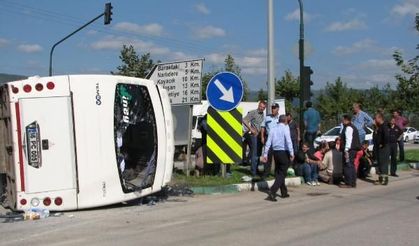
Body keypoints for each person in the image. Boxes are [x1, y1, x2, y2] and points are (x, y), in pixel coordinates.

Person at [262, 115, 294, 202]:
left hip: (275, 153)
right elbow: (288, 141)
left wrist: (265, 154)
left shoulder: (273, 129)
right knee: (282, 173)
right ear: (285, 121)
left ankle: (284, 192)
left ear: (279, 120)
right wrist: (291, 153)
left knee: (279, 172)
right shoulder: (285, 128)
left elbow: (268, 142)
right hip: (284, 152)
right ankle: (272, 192)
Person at [243, 100, 266, 177]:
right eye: (260, 106)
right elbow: (244, 120)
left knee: (259, 154)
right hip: (254, 136)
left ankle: (256, 169)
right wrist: (251, 129)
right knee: (254, 154)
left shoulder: (263, 114)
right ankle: (253, 172)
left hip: (260, 136)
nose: (261, 108)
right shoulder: (253, 112)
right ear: (258, 105)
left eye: (263, 107)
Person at [340, 114, 361, 188]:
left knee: (347, 165)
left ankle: (348, 183)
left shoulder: (348, 127)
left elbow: (349, 139)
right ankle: (352, 182)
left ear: (346, 120)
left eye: (342, 119)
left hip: (349, 150)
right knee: (351, 165)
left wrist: (346, 150)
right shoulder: (352, 127)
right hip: (352, 150)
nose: (342, 121)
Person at [260, 103, 280, 179]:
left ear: (278, 109)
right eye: (272, 108)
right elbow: (263, 127)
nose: (273, 109)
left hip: (277, 139)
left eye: (274, 108)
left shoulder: (280, 118)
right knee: (267, 156)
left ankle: (277, 173)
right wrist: (262, 137)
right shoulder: (267, 117)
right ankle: (266, 173)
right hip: (268, 138)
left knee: (277, 157)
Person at [373, 112, 390, 185]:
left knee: (383, 164)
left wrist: (382, 144)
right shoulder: (379, 126)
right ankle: (380, 179)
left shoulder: (384, 126)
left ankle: (384, 180)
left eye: (376, 118)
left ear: (380, 118)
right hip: (379, 148)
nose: (375, 120)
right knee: (380, 163)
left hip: (384, 148)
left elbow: (386, 136)